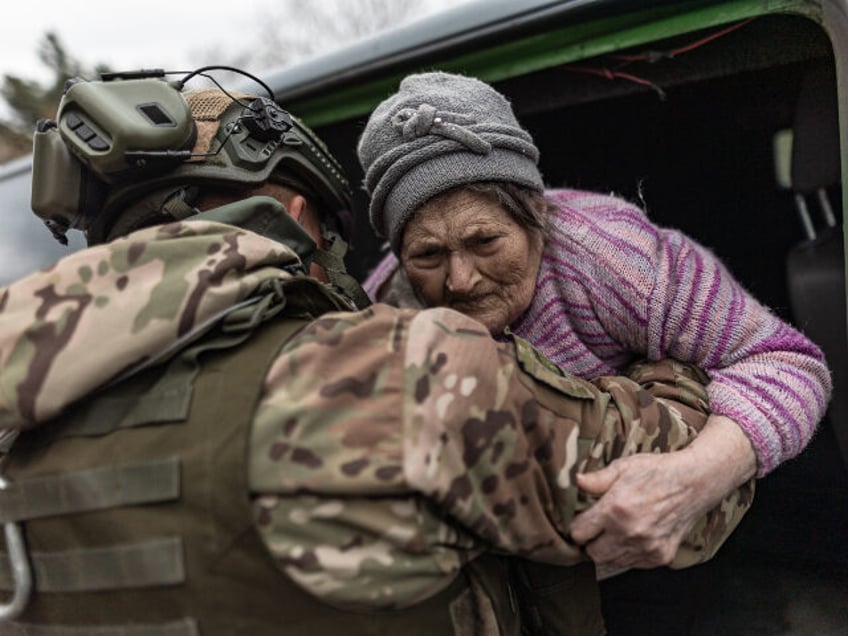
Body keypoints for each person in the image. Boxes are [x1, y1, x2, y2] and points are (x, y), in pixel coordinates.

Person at [0, 69, 751, 636]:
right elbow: (676, 502)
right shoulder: (407, 374)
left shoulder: (18, 430)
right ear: (298, 212)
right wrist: (669, 371)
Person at [357, 71, 833, 631]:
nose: (459, 280)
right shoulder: (388, 304)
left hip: (661, 551)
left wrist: (693, 479)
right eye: (428, 255)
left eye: (485, 241)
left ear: (534, 214)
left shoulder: (612, 258)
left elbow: (787, 363)